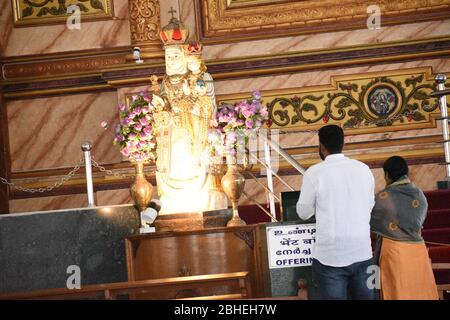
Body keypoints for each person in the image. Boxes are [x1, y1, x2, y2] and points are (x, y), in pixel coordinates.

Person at [296, 124, 375, 300]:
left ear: (322, 147)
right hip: (363, 251)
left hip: (330, 256)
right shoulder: (363, 169)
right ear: (343, 143)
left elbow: (303, 212)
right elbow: (370, 204)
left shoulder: (314, 173)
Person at [370, 156, 439, 300]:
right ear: (406, 172)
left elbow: (369, 219)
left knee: (396, 291)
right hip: (417, 252)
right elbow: (418, 222)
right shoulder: (419, 195)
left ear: (387, 175)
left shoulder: (383, 198)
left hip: (393, 252)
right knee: (419, 291)